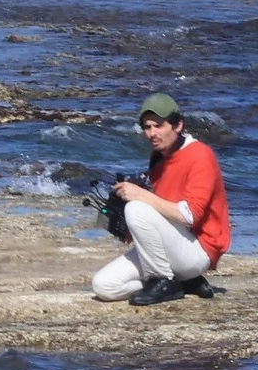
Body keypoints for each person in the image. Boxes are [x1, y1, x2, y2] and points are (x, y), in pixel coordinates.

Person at [91, 93, 231, 306]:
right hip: (173, 247)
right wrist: (129, 228)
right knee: (104, 286)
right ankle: (182, 283)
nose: (152, 133)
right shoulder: (158, 157)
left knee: (136, 208)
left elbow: (189, 215)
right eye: (147, 127)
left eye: (158, 126)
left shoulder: (200, 155)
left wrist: (140, 195)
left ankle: (164, 280)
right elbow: (160, 211)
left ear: (178, 125)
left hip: (199, 250)